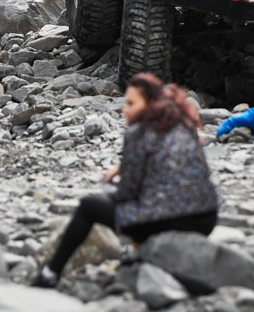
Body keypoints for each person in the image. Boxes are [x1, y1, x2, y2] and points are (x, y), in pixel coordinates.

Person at [35, 73, 220, 288]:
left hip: (177, 218)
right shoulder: (180, 123)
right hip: (206, 217)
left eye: (131, 103)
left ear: (150, 104)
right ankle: (138, 250)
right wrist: (123, 167)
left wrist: (109, 187)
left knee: (90, 206)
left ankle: (50, 273)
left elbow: (127, 193)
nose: (125, 109)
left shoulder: (138, 133)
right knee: (147, 198)